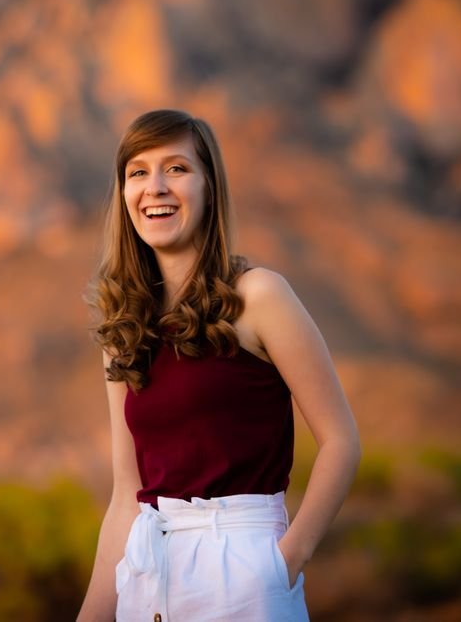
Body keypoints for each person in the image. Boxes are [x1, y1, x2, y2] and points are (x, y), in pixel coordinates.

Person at [77, 109, 361, 621]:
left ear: (209, 187)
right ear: (124, 194)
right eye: (138, 172)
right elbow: (126, 498)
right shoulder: (125, 328)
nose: (155, 187)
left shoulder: (259, 296)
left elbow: (341, 442)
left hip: (243, 571)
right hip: (149, 576)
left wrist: (284, 564)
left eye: (177, 168)